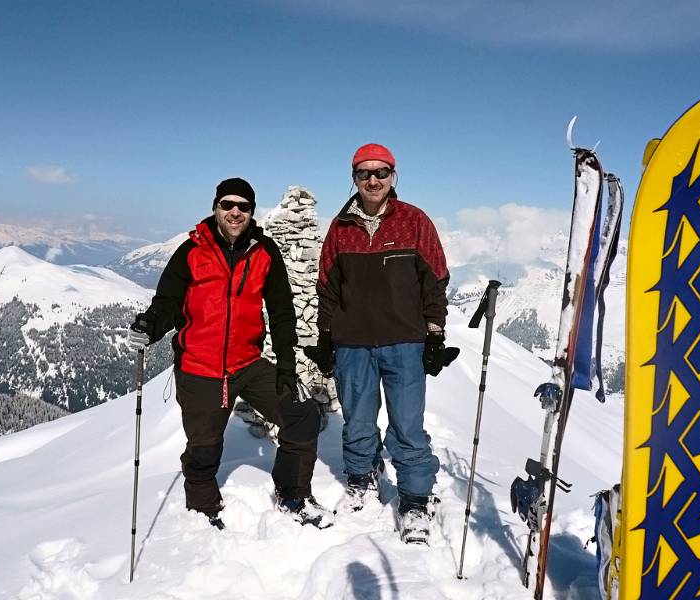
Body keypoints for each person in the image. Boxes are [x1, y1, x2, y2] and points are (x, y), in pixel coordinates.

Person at [128, 177, 333, 530]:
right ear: (215, 208)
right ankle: (202, 505)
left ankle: (293, 494)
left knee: (302, 417)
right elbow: (168, 302)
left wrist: (286, 366)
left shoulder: (264, 252)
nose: (235, 212)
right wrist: (152, 326)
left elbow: (282, 311)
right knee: (204, 446)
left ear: (252, 212)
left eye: (244, 206)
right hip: (200, 368)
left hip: (248, 364)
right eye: (228, 205)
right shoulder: (191, 251)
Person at [304, 144, 458, 544]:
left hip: (404, 344)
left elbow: (435, 282)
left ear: (394, 176)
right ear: (354, 178)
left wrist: (435, 334)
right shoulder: (340, 228)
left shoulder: (414, 221)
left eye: (381, 173)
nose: (373, 181)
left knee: (408, 425)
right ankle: (360, 478)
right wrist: (325, 337)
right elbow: (328, 289)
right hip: (352, 344)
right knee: (357, 420)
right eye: (364, 173)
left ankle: (415, 499)